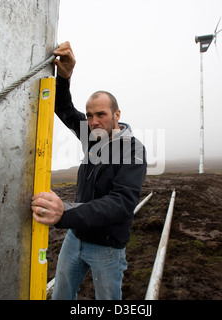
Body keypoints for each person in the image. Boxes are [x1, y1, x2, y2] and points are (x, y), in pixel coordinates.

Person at [31, 42, 147, 300]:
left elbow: (121, 203)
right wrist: (64, 76)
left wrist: (65, 212)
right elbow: (63, 109)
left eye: (101, 115)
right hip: (75, 238)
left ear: (117, 114)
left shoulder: (133, 150)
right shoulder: (92, 136)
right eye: (90, 115)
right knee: (61, 295)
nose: (93, 121)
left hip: (107, 247)